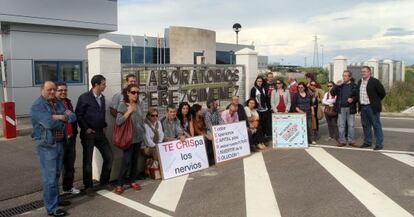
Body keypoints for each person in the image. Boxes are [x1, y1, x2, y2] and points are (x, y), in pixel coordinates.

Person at [31, 81, 76, 217]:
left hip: (60, 143)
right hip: (47, 145)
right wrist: (62, 117)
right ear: (42, 90)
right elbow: (49, 124)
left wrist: (59, 116)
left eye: (53, 89)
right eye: (49, 89)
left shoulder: (58, 102)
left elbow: (73, 117)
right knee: (50, 178)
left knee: (56, 175)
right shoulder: (37, 106)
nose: (52, 92)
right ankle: (52, 208)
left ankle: (56, 200)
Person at [75, 75, 113, 196]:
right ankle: (88, 187)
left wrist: (104, 124)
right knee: (88, 161)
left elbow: (100, 114)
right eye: (103, 84)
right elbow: (78, 115)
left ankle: (104, 181)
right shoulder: (84, 98)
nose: (105, 86)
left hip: (100, 133)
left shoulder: (102, 98)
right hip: (89, 135)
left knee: (109, 157)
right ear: (96, 85)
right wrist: (86, 128)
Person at [114, 84, 145, 194]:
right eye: (133, 92)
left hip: (138, 137)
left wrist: (143, 131)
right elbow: (118, 121)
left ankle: (132, 180)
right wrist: (128, 111)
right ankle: (119, 184)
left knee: (134, 160)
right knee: (126, 161)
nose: (135, 95)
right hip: (128, 138)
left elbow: (141, 119)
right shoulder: (123, 105)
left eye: (137, 92)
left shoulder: (139, 104)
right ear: (127, 93)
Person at [55, 82, 80, 195]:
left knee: (70, 165)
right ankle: (54, 193)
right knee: (57, 167)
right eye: (60, 90)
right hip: (59, 139)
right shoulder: (53, 104)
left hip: (71, 138)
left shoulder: (68, 102)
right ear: (55, 91)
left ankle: (68, 187)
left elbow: (73, 118)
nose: (63, 92)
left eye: (65, 90)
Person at [358, 66, 386, 150]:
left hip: (372, 107)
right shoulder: (360, 82)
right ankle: (367, 142)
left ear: (369, 72)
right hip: (363, 107)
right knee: (365, 125)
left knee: (376, 125)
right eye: (362, 71)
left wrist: (376, 101)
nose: (363, 73)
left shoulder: (375, 81)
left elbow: (382, 93)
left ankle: (379, 143)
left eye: (365, 71)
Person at [330, 71, 358, 147]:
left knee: (351, 125)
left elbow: (357, 96)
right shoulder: (340, 86)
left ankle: (351, 141)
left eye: (346, 76)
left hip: (350, 108)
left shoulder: (354, 86)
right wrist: (336, 85)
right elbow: (332, 93)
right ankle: (342, 141)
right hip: (341, 108)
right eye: (343, 75)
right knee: (341, 125)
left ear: (350, 77)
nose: (344, 77)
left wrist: (353, 99)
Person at [308, 80, 324, 144]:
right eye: (312, 85)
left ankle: (315, 134)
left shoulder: (317, 91)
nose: (313, 86)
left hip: (316, 109)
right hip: (309, 109)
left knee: (315, 122)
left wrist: (319, 99)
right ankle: (310, 136)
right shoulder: (307, 92)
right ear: (309, 85)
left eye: (314, 85)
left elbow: (322, 97)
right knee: (310, 123)